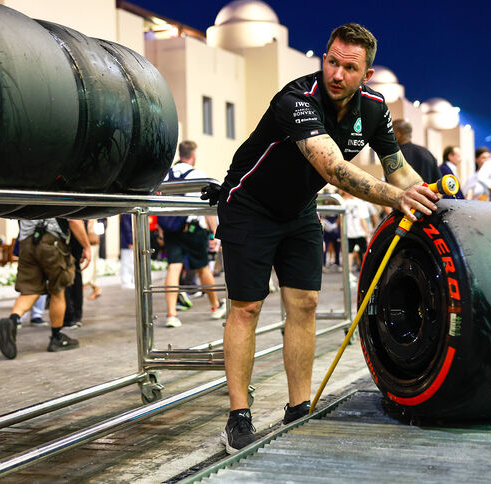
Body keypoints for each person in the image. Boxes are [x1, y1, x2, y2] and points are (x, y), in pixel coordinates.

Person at [215, 23, 439, 454]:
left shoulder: (374, 109)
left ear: (366, 75)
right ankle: (238, 416)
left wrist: (430, 197)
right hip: (249, 204)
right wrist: (398, 198)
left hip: (298, 209)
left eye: (349, 67)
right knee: (246, 307)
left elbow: (398, 169)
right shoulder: (295, 101)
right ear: (324, 57)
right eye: (332, 61)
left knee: (306, 303)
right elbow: (334, 169)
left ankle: (298, 406)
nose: (337, 74)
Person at [0, 218, 90, 359]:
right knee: (58, 291)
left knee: (29, 291)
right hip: (52, 241)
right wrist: (86, 246)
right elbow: (74, 220)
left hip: (27, 242)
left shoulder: (25, 194)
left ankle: (12, 321)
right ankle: (56, 337)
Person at [161, 141, 226, 328]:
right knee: (202, 268)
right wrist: (215, 232)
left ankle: (171, 314)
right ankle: (215, 306)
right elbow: (207, 207)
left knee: (174, 267)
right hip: (192, 228)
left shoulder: (167, 174)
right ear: (193, 156)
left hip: (171, 227)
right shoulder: (197, 175)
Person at [393, 119, 441, 183]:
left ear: (398, 133)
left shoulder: (395, 155)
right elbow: (439, 181)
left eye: (391, 132)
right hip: (429, 192)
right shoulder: (427, 152)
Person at [339, 190, 370, 278]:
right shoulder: (360, 203)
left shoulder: (344, 203)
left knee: (350, 253)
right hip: (360, 232)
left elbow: (341, 220)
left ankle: (348, 274)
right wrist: (367, 233)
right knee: (364, 252)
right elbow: (362, 220)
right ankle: (367, 273)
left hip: (348, 232)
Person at [83, 219, 101, 300]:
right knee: (91, 266)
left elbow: (89, 226)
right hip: (93, 243)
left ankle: (79, 295)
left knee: (86, 268)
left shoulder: (90, 218)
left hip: (89, 243)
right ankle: (96, 289)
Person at [119, 213, 135, 289]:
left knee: (129, 262)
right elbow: (127, 228)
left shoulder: (126, 213)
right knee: (128, 262)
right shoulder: (127, 213)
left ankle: (129, 280)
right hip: (127, 243)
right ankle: (126, 281)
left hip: (127, 242)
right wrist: (131, 241)